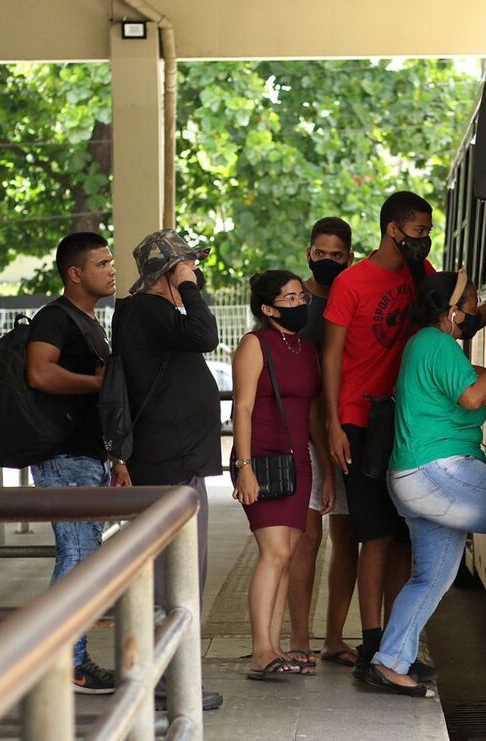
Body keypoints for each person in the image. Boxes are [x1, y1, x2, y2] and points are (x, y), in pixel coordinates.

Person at [365, 270, 486, 696]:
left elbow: (469, 378)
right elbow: (472, 396)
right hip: (437, 472)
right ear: (451, 312)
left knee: (431, 577)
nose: (474, 312)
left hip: (412, 478)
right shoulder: (436, 343)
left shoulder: (424, 344)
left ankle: (391, 662)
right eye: (469, 305)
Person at [322, 191, 437, 680]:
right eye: (418, 232)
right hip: (360, 422)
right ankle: (372, 645)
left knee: (406, 540)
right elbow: (330, 356)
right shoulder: (351, 282)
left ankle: (397, 644)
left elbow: (461, 308)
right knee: (375, 538)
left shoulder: (421, 277)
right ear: (394, 229)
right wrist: (333, 423)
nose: (424, 241)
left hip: (408, 421)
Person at [112, 229, 223, 711]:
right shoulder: (147, 311)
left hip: (177, 459)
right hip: (169, 463)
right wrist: (189, 288)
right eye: (188, 268)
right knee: (173, 579)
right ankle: (164, 684)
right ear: (168, 273)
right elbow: (207, 335)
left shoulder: (151, 316)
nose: (196, 274)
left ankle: (167, 677)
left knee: (180, 577)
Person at [25, 231, 124, 694]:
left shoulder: (88, 322)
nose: (111, 269)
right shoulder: (55, 318)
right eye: (102, 263)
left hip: (87, 456)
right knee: (78, 555)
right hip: (63, 457)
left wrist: (113, 457)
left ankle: (70, 659)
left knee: (84, 555)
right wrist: (95, 384)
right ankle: (65, 662)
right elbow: (40, 372)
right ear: (75, 272)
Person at [231, 270, 323, 679]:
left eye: (301, 296)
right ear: (268, 309)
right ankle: (260, 650)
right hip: (263, 459)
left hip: (298, 461)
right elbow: (243, 410)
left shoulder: (305, 348)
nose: (300, 303)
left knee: (287, 556)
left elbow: (314, 411)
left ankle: (275, 645)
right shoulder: (255, 344)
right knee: (276, 553)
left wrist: (328, 473)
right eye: (289, 299)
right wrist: (244, 467)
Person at [286, 217, 360, 669]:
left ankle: (333, 639)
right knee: (306, 538)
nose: (327, 260)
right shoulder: (296, 302)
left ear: (349, 256)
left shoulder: (356, 294)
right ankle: (298, 640)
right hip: (303, 433)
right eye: (320, 253)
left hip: (349, 429)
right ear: (308, 252)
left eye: (337, 255)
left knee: (347, 536)